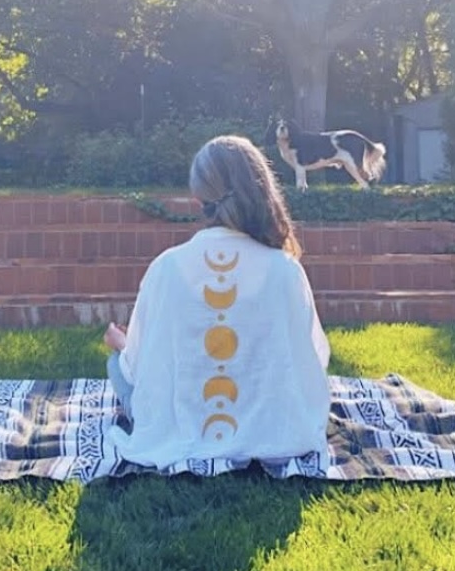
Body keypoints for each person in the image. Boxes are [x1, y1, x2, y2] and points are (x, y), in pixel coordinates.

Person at [103, 133, 332, 468]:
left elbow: (139, 369)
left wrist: (122, 344)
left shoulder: (167, 266)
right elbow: (313, 360)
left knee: (115, 362)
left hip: (180, 429)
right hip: (276, 429)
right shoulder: (285, 269)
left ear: (198, 197)